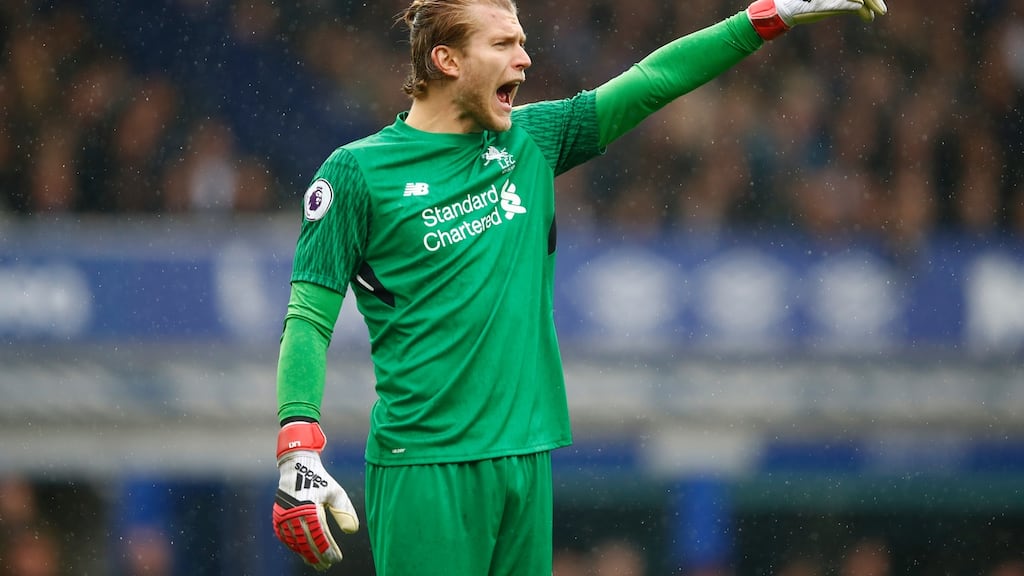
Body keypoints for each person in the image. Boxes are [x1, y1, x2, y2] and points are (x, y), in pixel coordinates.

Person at [270, 0, 887, 574]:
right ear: (447, 59)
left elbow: (652, 82)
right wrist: (298, 446)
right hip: (426, 464)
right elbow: (308, 318)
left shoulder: (530, 141)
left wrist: (765, 16)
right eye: (505, 43)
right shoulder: (356, 172)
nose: (525, 58)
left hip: (527, 457)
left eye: (525, 42)